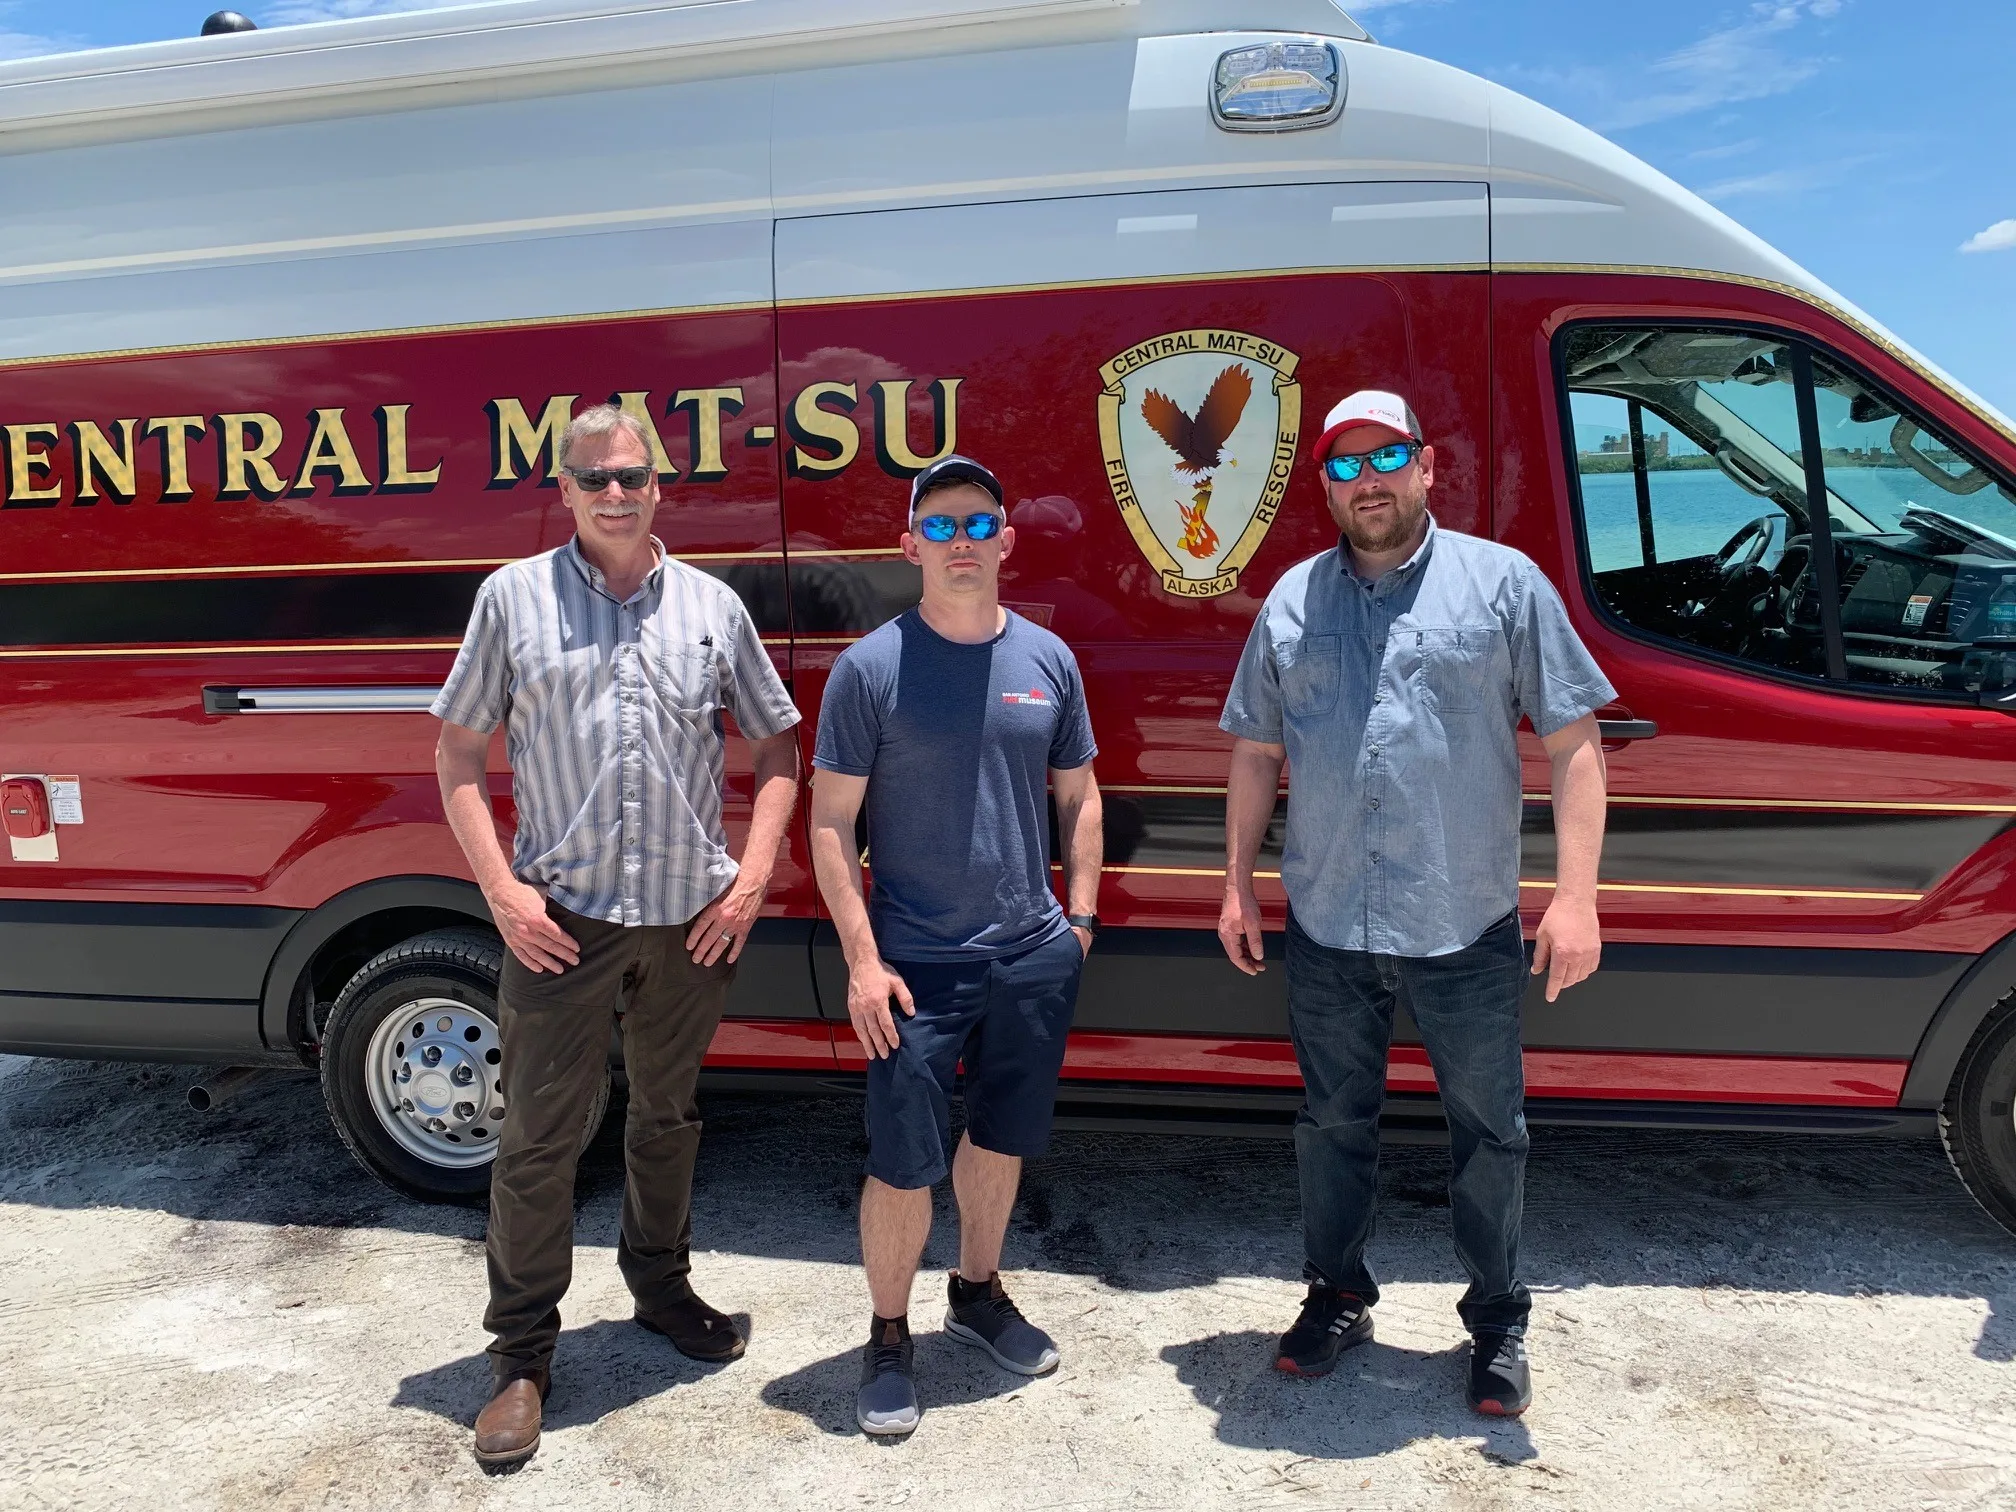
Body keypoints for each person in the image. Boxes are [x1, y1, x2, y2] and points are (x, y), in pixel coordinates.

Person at [1217, 390, 1612, 1417]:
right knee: (1332, 1125)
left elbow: (1576, 746)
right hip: (1327, 921)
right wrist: (1237, 886)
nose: (1368, 481)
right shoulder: (1292, 603)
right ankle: (1337, 1294)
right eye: (1345, 467)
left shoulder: (1502, 585)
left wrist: (1577, 899)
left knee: (1491, 1132)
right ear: (1325, 488)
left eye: (1386, 457)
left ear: (1427, 465)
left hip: (1463, 921)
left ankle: (1498, 1322)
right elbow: (1256, 754)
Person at [432, 403, 802, 1467]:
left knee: (668, 1118)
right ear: (565, 488)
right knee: (540, 1139)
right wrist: (504, 893)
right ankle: (519, 1358)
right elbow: (458, 759)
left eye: (631, 475)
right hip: (564, 925)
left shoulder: (711, 608)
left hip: (691, 923)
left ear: (659, 483)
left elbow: (780, 750)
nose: (614, 493)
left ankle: (662, 1287)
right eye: (593, 478)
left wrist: (750, 882)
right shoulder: (512, 600)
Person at [808, 454, 1104, 1438]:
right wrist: (862, 958)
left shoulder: (1049, 661)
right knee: (902, 1162)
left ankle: (976, 1293)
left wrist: (1082, 920)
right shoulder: (872, 668)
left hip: (1029, 952)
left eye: (978, 524)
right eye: (939, 527)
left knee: (1001, 1137)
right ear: (910, 547)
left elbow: (1081, 793)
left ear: (1006, 541)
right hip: (914, 967)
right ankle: (889, 1336)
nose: (961, 542)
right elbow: (828, 824)